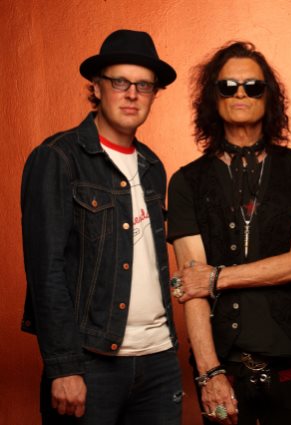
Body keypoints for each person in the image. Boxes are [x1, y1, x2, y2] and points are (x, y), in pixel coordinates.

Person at [20, 29, 181, 424]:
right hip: (90, 362)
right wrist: (63, 366)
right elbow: (46, 271)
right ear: (96, 87)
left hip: (159, 360)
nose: (132, 94)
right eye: (120, 82)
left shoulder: (153, 166)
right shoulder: (58, 158)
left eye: (144, 85)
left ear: (154, 94)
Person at [167, 41, 291, 425]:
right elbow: (191, 287)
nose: (240, 94)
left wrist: (216, 277)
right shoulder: (186, 181)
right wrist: (209, 374)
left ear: (269, 97)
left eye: (253, 86)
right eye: (228, 86)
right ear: (213, 96)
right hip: (224, 369)